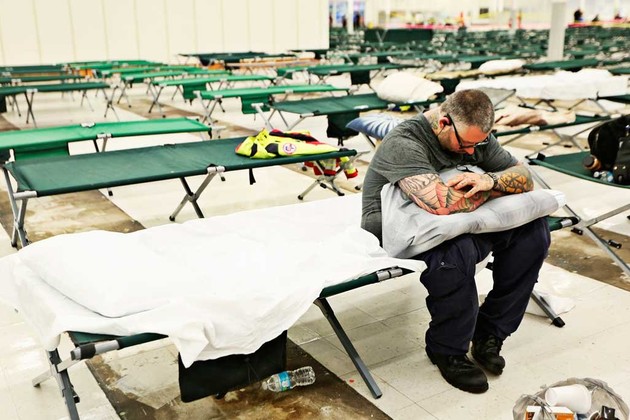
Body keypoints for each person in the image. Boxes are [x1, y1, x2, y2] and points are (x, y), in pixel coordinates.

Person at [361, 89, 551, 394]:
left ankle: (490, 332)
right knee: (454, 253)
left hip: (455, 220)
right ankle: (446, 349)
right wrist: (493, 189)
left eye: (478, 144)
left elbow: (524, 177)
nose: (472, 152)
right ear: (443, 123)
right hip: (398, 224)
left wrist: (490, 180)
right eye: (466, 145)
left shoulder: (474, 137)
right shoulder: (404, 142)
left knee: (533, 233)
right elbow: (442, 204)